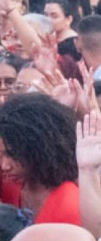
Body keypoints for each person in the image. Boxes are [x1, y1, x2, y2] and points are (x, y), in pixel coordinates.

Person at [0, 93, 80, 225]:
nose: (4, 166)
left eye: (13, 155)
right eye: (0, 155)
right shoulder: (9, 183)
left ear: (41, 149)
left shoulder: (70, 205)